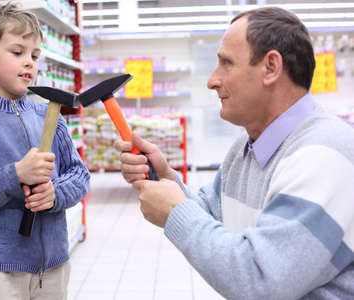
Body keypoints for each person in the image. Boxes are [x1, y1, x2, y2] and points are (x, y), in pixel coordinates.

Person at [115, 7, 354, 300]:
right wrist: (165, 177)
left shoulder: (323, 157)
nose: (212, 80)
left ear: (271, 67)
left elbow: (261, 280)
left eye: (226, 63)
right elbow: (213, 216)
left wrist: (175, 212)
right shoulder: (247, 147)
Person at [0, 3, 90, 300]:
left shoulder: (49, 117)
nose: (29, 63)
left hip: (52, 268)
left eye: (35, 55)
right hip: (0, 271)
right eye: (17, 52)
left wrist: (54, 194)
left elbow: (80, 176)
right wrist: (15, 175)